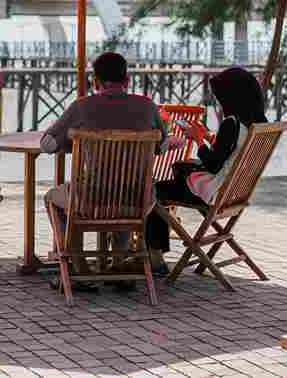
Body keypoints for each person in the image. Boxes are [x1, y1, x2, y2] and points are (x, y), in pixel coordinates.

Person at [41, 52, 182, 288]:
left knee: (52, 198)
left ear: (95, 81)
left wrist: (72, 139)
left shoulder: (82, 107)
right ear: (127, 79)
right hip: (138, 200)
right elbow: (163, 144)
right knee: (126, 189)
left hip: (92, 200)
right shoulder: (147, 107)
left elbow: (47, 145)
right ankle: (118, 266)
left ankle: (78, 269)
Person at [146, 67, 268, 274]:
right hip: (235, 194)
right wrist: (209, 137)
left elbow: (212, 164)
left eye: (220, 97)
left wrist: (196, 139)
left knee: (153, 191)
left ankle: (155, 256)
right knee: (171, 181)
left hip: (215, 193)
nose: (218, 102)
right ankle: (156, 252)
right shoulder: (257, 122)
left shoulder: (231, 123)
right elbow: (231, 151)